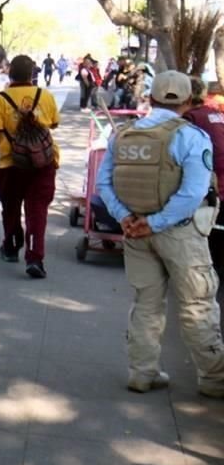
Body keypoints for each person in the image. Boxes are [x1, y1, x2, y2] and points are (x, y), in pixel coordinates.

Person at [96, 70, 224, 398]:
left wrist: (127, 219)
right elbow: (193, 193)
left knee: (146, 303)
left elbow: (104, 184)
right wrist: (156, 222)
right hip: (181, 233)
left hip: (135, 233)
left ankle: (142, 373)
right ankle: (214, 379)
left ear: (150, 98)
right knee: (197, 303)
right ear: (188, 101)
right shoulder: (192, 137)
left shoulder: (123, 135)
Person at [0, 55, 60, 279]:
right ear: (32, 74)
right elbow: (54, 124)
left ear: (10, 74)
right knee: (37, 211)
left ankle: (10, 245)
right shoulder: (45, 96)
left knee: (11, 207)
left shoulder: (0, 100)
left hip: (11, 163)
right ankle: (35, 257)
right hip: (43, 163)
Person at [183, 77, 224, 271]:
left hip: (213, 180)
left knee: (208, 229)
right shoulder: (216, 113)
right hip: (219, 177)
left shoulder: (190, 118)